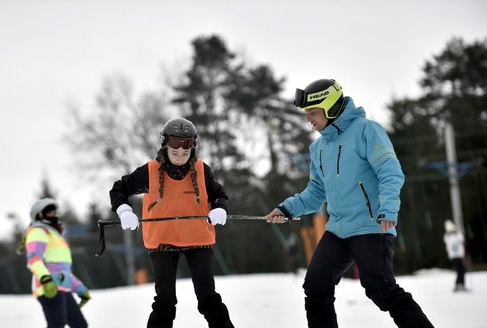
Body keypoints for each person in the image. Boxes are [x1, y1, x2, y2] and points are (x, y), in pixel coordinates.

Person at [265, 79, 434, 328]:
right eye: (306, 114)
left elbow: (390, 173)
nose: (308, 119)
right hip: (338, 230)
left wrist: (388, 208)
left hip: (371, 226)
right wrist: (287, 208)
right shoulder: (319, 148)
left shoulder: (367, 130)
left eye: (312, 112)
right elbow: (315, 192)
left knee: (381, 289)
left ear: (331, 107)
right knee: (316, 286)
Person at [109, 117, 234, 328]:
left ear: (192, 149)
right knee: (165, 301)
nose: (180, 157)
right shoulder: (149, 171)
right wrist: (124, 210)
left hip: (198, 240)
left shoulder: (202, 170)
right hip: (163, 242)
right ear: (165, 146)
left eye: (185, 153)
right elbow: (119, 189)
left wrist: (220, 207)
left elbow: (220, 194)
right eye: (175, 152)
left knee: (208, 297)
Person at [25, 198, 90, 328]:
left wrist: (79, 288)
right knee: (57, 324)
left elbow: (63, 270)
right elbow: (34, 260)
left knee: (80, 325)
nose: (54, 215)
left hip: (63, 287)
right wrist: (45, 279)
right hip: (49, 287)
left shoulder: (55, 236)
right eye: (49, 213)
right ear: (38, 215)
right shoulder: (38, 232)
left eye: (55, 212)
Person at [443, 219, 467, 292]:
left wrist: (456, 234)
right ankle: (458, 284)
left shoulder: (458, 234)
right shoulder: (448, 236)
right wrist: (452, 235)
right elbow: (451, 244)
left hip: (459, 255)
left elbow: (462, 240)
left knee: (461, 270)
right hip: (454, 256)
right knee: (460, 270)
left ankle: (460, 284)